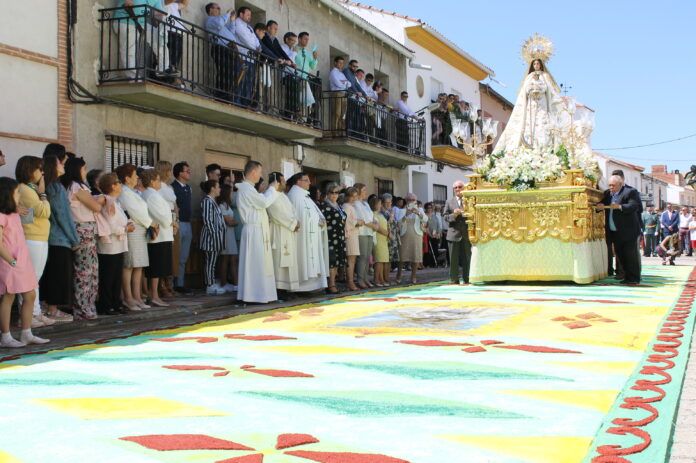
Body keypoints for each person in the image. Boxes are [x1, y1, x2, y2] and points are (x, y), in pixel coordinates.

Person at [0, 177, 50, 348]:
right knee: (8, 297)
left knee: (30, 295)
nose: (19, 196)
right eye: (16, 193)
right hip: (10, 263)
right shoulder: (1, 217)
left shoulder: (13, 213)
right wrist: (12, 261)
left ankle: (26, 333)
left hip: (21, 262)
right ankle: (6, 336)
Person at [62, 157, 105, 319]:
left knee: (90, 269)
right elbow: (95, 206)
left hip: (84, 229)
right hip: (83, 229)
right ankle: (83, 307)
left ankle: (88, 305)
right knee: (85, 271)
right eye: (84, 168)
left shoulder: (73, 187)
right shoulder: (77, 187)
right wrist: (101, 198)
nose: (85, 172)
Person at [15, 156, 54, 328]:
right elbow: (44, 211)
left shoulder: (31, 189)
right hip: (32, 238)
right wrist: (43, 193)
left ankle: (36, 313)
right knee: (30, 279)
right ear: (30, 170)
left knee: (34, 279)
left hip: (39, 237)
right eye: (39, 169)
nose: (42, 172)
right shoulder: (25, 190)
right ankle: (29, 316)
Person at [40, 153, 79, 322]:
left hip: (50, 237)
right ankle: (53, 310)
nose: (63, 165)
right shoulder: (56, 188)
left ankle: (48, 308)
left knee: (51, 274)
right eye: (60, 163)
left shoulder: (49, 186)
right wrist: (74, 239)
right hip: (59, 238)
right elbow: (63, 215)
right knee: (58, 275)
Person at [494, 58, 561, 153]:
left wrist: (540, 89)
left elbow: (549, 89)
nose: (536, 65)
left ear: (541, 65)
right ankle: (530, 143)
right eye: (534, 64)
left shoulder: (545, 76)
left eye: (538, 64)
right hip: (531, 103)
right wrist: (531, 89)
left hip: (542, 103)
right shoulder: (529, 76)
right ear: (532, 66)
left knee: (542, 122)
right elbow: (525, 89)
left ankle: (544, 145)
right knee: (530, 123)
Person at [236, 161, 279, 303]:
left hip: (258, 230)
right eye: (259, 172)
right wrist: (272, 189)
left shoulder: (250, 189)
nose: (260, 175)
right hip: (254, 231)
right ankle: (253, 295)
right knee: (255, 263)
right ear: (253, 172)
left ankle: (261, 294)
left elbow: (261, 202)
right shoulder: (246, 189)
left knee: (260, 263)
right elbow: (263, 202)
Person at [116, 164, 152, 311]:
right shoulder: (124, 192)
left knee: (139, 265)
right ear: (127, 178)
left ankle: (137, 296)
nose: (137, 177)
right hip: (133, 230)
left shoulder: (132, 192)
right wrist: (151, 223)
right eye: (135, 174)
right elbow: (135, 212)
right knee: (129, 264)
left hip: (141, 230)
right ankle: (128, 297)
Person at [287, 173, 329, 292]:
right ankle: (302, 287)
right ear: (298, 182)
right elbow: (300, 216)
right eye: (306, 180)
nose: (309, 183)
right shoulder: (294, 196)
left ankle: (312, 286)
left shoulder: (304, 195)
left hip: (311, 234)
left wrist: (320, 221)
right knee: (303, 258)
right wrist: (317, 221)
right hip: (302, 235)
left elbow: (312, 214)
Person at [96, 173, 131, 316]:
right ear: (112, 186)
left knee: (117, 277)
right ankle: (106, 305)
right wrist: (125, 229)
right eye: (118, 182)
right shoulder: (108, 202)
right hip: (109, 246)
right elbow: (109, 226)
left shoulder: (116, 202)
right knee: (108, 277)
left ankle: (116, 303)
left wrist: (129, 224)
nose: (121, 185)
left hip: (119, 245)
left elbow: (123, 219)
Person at [597, 175, 642, 284]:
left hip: (628, 230)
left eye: (613, 185)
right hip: (614, 231)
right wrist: (599, 206)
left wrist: (620, 207)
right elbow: (602, 203)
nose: (611, 187)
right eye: (609, 185)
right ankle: (626, 276)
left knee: (630, 255)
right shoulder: (608, 193)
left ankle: (634, 278)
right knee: (620, 255)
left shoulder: (630, 192)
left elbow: (634, 206)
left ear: (620, 185)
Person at [140, 169, 174, 307]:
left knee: (160, 267)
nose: (160, 182)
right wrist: (172, 222)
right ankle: (153, 295)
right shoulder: (150, 195)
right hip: (159, 235)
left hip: (164, 234)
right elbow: (162, 216)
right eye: (158, 180)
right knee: (156, 267)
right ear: (153, 181)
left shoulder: (154, 194)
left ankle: (155, 294)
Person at [113, 0, 169, 80]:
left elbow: (158, 14)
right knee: (129, 50)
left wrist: (163, 17)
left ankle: (163, 69)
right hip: (125, 20)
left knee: (159, 38)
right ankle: (133, 77)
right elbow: (127, 3)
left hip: (141, 23)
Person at [265, 172, 300, 295]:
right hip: (279, 232)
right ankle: (279, 289)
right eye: (283, 181)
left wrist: (296, 221)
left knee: (289, 261)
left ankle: (288, 288)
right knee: (279, 260)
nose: (285, 183)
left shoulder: (284, 196)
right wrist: (293, 224)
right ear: (277, 182)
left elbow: (293, 210)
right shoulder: (270, 195)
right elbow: (277, 213)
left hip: (289, 231)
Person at [155, 161, 178, 296]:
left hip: (171, 220)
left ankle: (169, 283)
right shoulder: (160, 187)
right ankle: (161, 286)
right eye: (168, 170)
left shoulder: (169, 187)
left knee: (170, 255)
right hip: (164, 221)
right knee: (162, 254)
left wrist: (176, 221)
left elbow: (175, 205)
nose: (170, 173)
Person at [204, 3, 237, 99]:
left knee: (229, 73)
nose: (219, 9)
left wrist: (232, 20)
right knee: (223, 71)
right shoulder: (210, 20)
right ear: (210, 10)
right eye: (217, 8)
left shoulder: (222, 23)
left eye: (219, 8)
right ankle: (220, 94)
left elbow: (232, 33)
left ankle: (226, 94)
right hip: (220, 48)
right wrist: (228, 13)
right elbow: (219, 23)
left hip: (229, 49)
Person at [200, 180, 226, 295]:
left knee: (212, 262)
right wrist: (215, 236)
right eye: (218, 187)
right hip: (211, 239)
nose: (220, 189)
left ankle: (212, 282)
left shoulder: (212, 201)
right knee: (210, 262)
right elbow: (208, 221)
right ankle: (209, 285)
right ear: (212, 188)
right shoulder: (207, 201)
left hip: (216, 238)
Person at [444, 181, 471, 284]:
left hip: (466, 233)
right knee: (453, 259)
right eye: (455, 187)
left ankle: (467, 278)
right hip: (453, 233)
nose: (457, 189)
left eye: (460, 187)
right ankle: (454, 279)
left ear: (464, 188)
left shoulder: (469, 200)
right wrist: (454, 215)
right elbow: (445, 217)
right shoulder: (449, 201)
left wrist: (465, 213)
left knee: (466, 258)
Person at [321, 182, 346, 294]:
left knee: (337, 261)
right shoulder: (325, 206)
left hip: (340, 236)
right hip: (331, 237)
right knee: (332, 261)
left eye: (337, 192)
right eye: (332, 192)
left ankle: (333, 283)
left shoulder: (338, 206)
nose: (334, 195)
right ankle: (330, 285)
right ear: (327, 194)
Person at [172, 162, 192, 293]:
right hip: (178, 224)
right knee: (176, 255)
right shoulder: (172, 187)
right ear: (180, 173)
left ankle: (180, 283)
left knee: (184, 256)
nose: (189, 173)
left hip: (188, 223)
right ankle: (173, 284)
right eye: (187, 171)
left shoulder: (188, 188)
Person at [234, 6, 260, 107]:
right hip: (242, 56)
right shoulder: (237, 23)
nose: (250, 17)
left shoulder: (249, 27)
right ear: (241, 14)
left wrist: (258, 47)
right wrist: (255, 48)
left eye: (250, 15)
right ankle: (237, 101)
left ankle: (245, 103)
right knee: (241, 79)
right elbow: (246, 40)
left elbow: (256, 40)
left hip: (251, 58)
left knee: (249, 82)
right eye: (248, 14)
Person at [399, 193, 427, 285]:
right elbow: (398, 222)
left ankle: (413, 276)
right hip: (405, 235)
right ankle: (399, 274)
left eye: (413, 200)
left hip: (417, 234)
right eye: (409, 200)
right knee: (402, 256)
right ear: (406, 201)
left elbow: (426, 220)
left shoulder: (420, 209)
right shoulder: (402, 210)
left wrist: (418, 213)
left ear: (416, 201)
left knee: (415, 256)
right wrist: (406, 214)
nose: (411, 201)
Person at [353, 183, 377, 288]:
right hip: (362, 232)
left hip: (369, 232)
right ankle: (360, 279)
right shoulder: (356, 203)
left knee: (368, 257)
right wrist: (373, 225)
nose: (365, 192)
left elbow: (371, 216)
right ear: (357, 191)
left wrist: (375, 223)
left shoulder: (365, 204)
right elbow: (363, 219)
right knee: (362, 257)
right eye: (363, 190)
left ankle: (365, 278)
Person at [217, 183, 238, 293]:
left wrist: (233, 222)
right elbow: (228, 221)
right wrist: (236, 222)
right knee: (225, 259)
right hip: (225, 234)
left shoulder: (227, 205)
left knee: (232, 259)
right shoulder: (221, 205)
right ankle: (224, 283)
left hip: (231, 234)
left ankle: (235, 283)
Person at [342, 187, 361, 291]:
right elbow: (347, 222)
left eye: (355, 196)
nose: (354, 198)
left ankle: (350, 281)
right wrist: (358, 222)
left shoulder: (350, 206)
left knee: (352, 260)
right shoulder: (346, 206)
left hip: (353, 234)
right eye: (352, 196)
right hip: (349, 235)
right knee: (350, 260)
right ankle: (350, 282)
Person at [294, 31, 318, 113]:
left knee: (306, 99)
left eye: (308, 39)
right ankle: (300, 115)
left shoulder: (308, 53)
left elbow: (313, 66)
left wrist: (315, 59)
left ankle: (303, 117)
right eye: (305, 39)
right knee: (302, 98)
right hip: (296, 77)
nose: (307, 41)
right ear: (299, 39)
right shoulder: (294, 49)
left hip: (305, 79)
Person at [163, 0, 189, 74]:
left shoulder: (174, 5)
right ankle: (168, 70)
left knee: (177, 54)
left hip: (178, 34)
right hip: (170, 32)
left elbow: (184, 4)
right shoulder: (163, 2)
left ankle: (172, 70)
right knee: (170, 53)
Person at [371, 196, 390, 287]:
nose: (380, 205)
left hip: (384, 239)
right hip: (378, 238)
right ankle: (376, 279)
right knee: (379, 260)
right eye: (379, 203)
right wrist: (388, 234)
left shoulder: (381, 214)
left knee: (383, 260)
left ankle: (381, 279)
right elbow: (377, 228)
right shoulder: (373, 214)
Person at [329, 56, 350, 130]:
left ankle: (340, 131)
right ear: (335, 63)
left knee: (342, 115)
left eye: (342, 63)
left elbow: (349, 84)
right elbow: (338, 84)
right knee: (336, 113)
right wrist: (344, 83)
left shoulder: (342, 74)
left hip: (343, 94)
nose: (341, 64)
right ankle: (334, 131)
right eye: (340, 63)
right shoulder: (333, 72)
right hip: (337, 94)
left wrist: (344, 83)